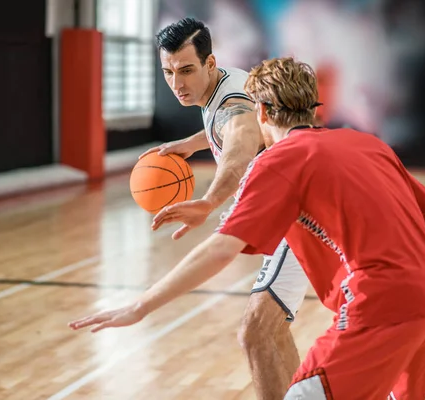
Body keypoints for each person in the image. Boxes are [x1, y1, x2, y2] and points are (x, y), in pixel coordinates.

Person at [69, 57, 425, 399]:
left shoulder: (278, 161)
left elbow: (219, 251)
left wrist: (142, 305)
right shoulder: (369, 144)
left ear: (264, 114)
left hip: (382, 306)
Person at [138, 18, 309, 399]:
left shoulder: (234, 101)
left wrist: (210, 200)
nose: (177, 84)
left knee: (255, 332)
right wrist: (194, 142)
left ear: (209, 64)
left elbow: (239, 145)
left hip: (296, 223)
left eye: (186, 70)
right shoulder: (223, 83)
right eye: (167, 72)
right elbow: (223, 130)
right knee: (269, 329)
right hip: (295, 217)